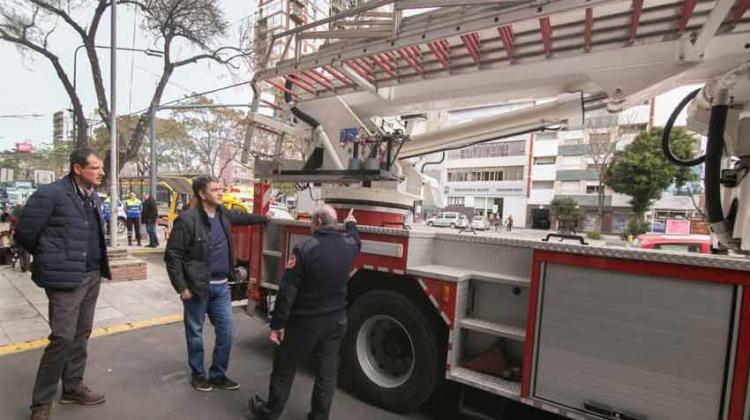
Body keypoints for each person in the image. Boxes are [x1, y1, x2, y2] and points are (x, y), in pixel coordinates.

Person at [15, 148, 110, 420]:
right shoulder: (51, 194)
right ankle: (41, 404)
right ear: (77, 169)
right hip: (65, 278)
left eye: (101, 168)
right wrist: (52, 258)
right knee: (62, 339)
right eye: (95, 168)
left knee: (81, 334)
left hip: (92, 274)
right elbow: (25, 234)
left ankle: (72, 386)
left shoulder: (93, 197)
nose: (101, 172)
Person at [249, 205, 361, 420]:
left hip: (305, 323)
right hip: (336, 321)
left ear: (317, 223)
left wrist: (277, 325)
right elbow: (356, 239)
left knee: (285, 368)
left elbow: (287, 292)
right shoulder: (347, 245)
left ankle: (270, 412)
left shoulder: (306, 249)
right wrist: (351, 224)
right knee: (327, 373)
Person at [165, 175, 270, 393]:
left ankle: (218, 374)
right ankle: (198, 375)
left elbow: (243, 218)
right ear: (202, 194)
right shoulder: (187, 220)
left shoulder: (223, 215)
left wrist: (263, 217)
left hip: (222, 287)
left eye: (220, 189)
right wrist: (181, 287)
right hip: (197, 288)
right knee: (195, 333)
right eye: (215, 190)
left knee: (227, 332)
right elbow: (173, 255)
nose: (220, 192)